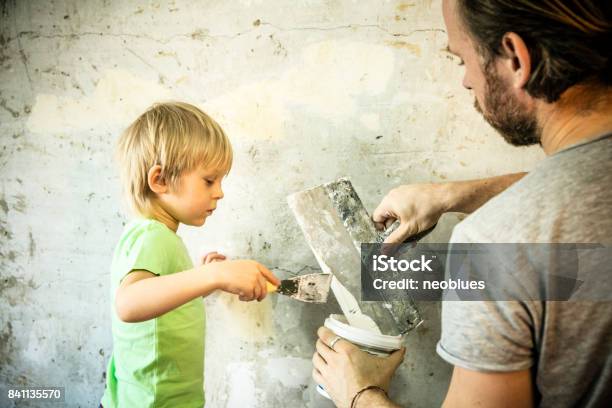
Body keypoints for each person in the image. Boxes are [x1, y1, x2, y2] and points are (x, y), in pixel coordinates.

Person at [313, 0, 612, 407]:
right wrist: (451, 195)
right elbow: (577, 193)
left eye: (461, 60)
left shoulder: (495, 243)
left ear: (516, 57)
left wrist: (358, 392)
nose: (467, 82)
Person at [100, 102, 280, 407]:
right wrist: (212, 275)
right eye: (209, 180)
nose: (220, 192)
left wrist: (205, 280)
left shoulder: (158, 236)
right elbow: (129, 304)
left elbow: (159, 302)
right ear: (160, 180)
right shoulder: (151, 235)